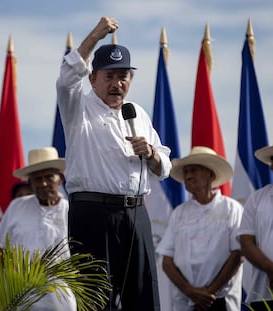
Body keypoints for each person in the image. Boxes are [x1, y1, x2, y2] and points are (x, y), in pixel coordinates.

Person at [56, 16, 172, 310]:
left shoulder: (138, 113)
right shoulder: (78, 107)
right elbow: (67, 76)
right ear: (92, 79)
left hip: (136, 216)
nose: (117, 83)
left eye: (123, 76)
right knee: (96, 301)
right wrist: (96, 34)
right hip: (93, 216)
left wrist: (152, 154)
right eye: (108, 76)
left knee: (145, 298)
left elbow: (165, 166)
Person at [157, 146, 243, 311]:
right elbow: (167, 261)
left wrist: (210, 292)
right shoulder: (179, 213)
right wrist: (190, 291)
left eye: (194, 170)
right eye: (186, 172)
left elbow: (238, 254)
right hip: (185, 302)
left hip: (220, 301)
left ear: (210, 174)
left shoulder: (232, 209)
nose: (188, 176)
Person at [0, 146, 76, 311]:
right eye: (37, 179)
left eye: (49, 177)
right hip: (21, 299)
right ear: (30, 183)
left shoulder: (72, 210)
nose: (43, 183)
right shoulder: (17, 206)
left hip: (64, 300)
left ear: (60, 178)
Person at [238, 145, 273, 310]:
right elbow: (246, 241)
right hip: (263, 293)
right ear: (272, 165)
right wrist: (270, 268)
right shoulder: (257, 199)